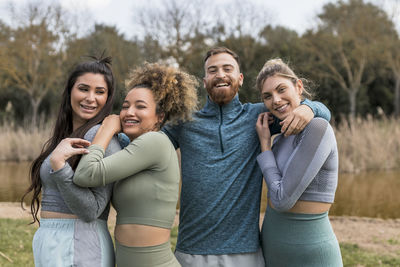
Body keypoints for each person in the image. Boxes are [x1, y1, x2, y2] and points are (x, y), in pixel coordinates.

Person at [162, 47, 331, 266]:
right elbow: (145, 142)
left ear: (240, 79)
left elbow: (322, 113)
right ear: (205, 82)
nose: (220, 74)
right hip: (191, 252)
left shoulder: (260, 116)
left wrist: (310, 108)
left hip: (246, 253)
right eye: (212, 70)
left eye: (227, 68)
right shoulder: (184, 122)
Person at [73, 62, 198, 267]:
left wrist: (106, 130)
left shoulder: (155, 142)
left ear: (159, 117)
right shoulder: (131, 147)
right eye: (125, 106)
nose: (129, 112)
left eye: (140, 106)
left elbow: (85, 174)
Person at [21, 56, 121, 267]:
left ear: (108, 98)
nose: (91, 98)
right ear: (70, 91)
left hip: (80, 242)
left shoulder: (102, 137)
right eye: (83, 89)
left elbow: (91, 210)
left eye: (100, 92)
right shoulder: (66, 135)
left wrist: (59, 165)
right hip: (55, 240)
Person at [255, 58, 342, 266]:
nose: (276, 100)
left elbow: (282, 199)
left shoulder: (317, 128)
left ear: (299, 86)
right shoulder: (283, 132)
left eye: (281, 89)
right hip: (273, 253)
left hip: (311, 255)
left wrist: (265, 145)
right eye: (267, 96)